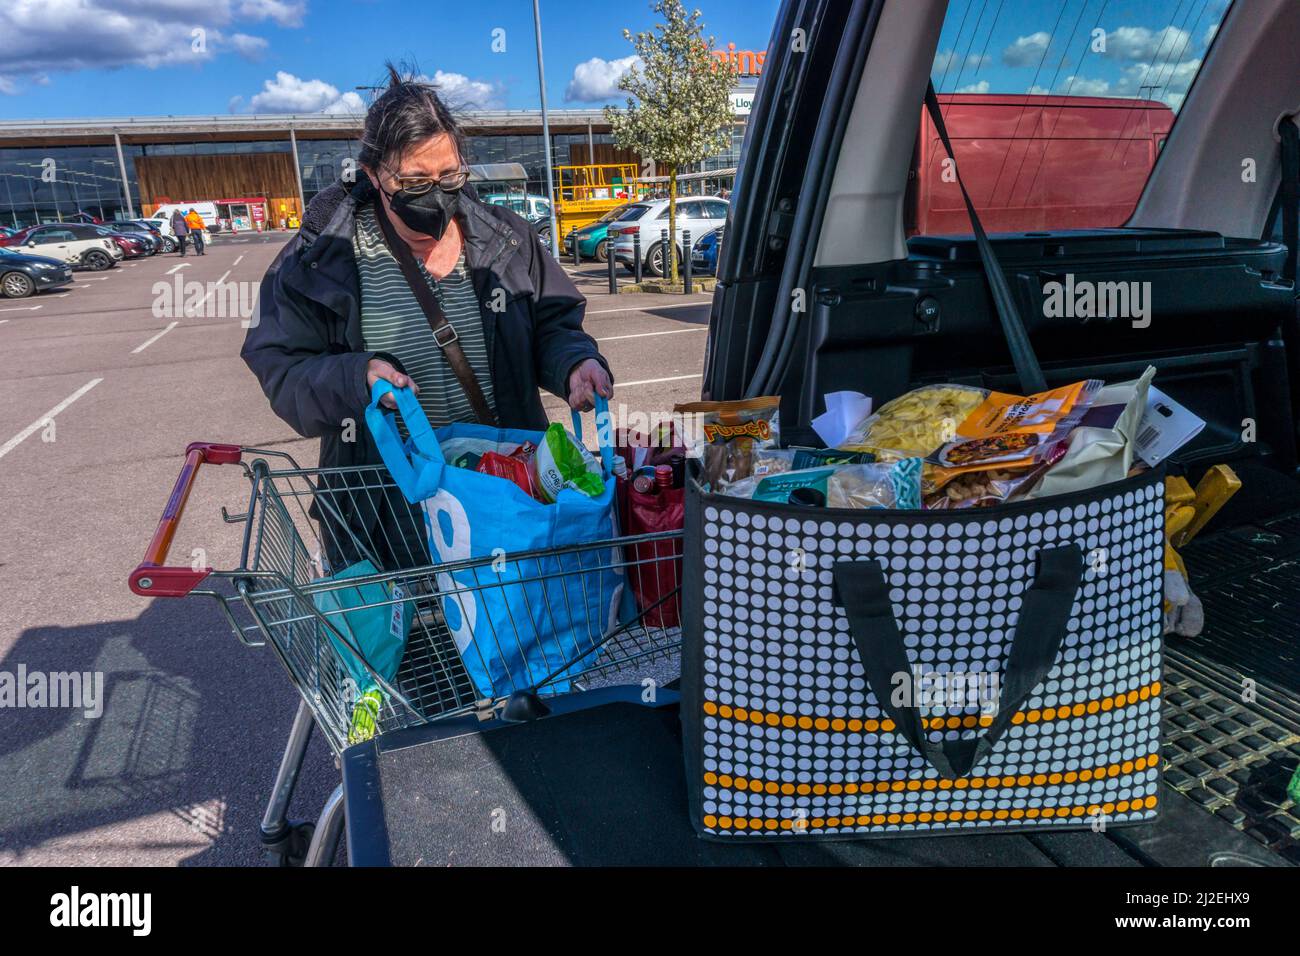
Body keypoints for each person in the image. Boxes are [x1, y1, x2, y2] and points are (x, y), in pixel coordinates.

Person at [242, 66, 613, 571]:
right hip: (388, 510)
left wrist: (574, 364)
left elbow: (553, 324)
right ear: (373, 175)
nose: (436, 196)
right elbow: (282, 367)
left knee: (511, 635)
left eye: (449, 176)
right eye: (414, 181)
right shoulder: (322, 257)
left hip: (503, 494)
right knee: (419, 645)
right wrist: (357, 376)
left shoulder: (506, 238)